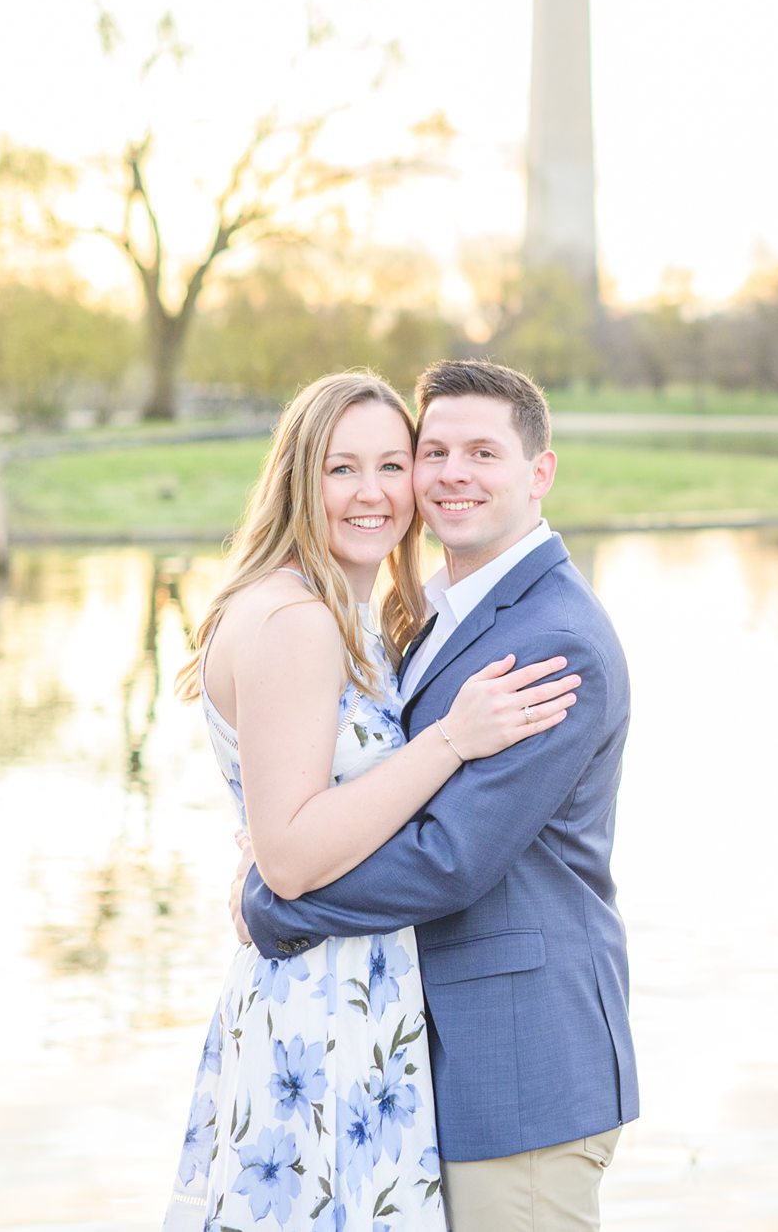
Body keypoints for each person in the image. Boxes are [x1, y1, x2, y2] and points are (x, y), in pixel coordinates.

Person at [164, 371, 583, 1232]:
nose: (373, 492)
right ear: (297, 477)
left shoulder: (344, 611)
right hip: (322, 1008)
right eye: (340, 468)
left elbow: (291, 817)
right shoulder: (297, 621)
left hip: (353, 994)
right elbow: (289, 852)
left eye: (393, 464)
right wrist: (449, 740)